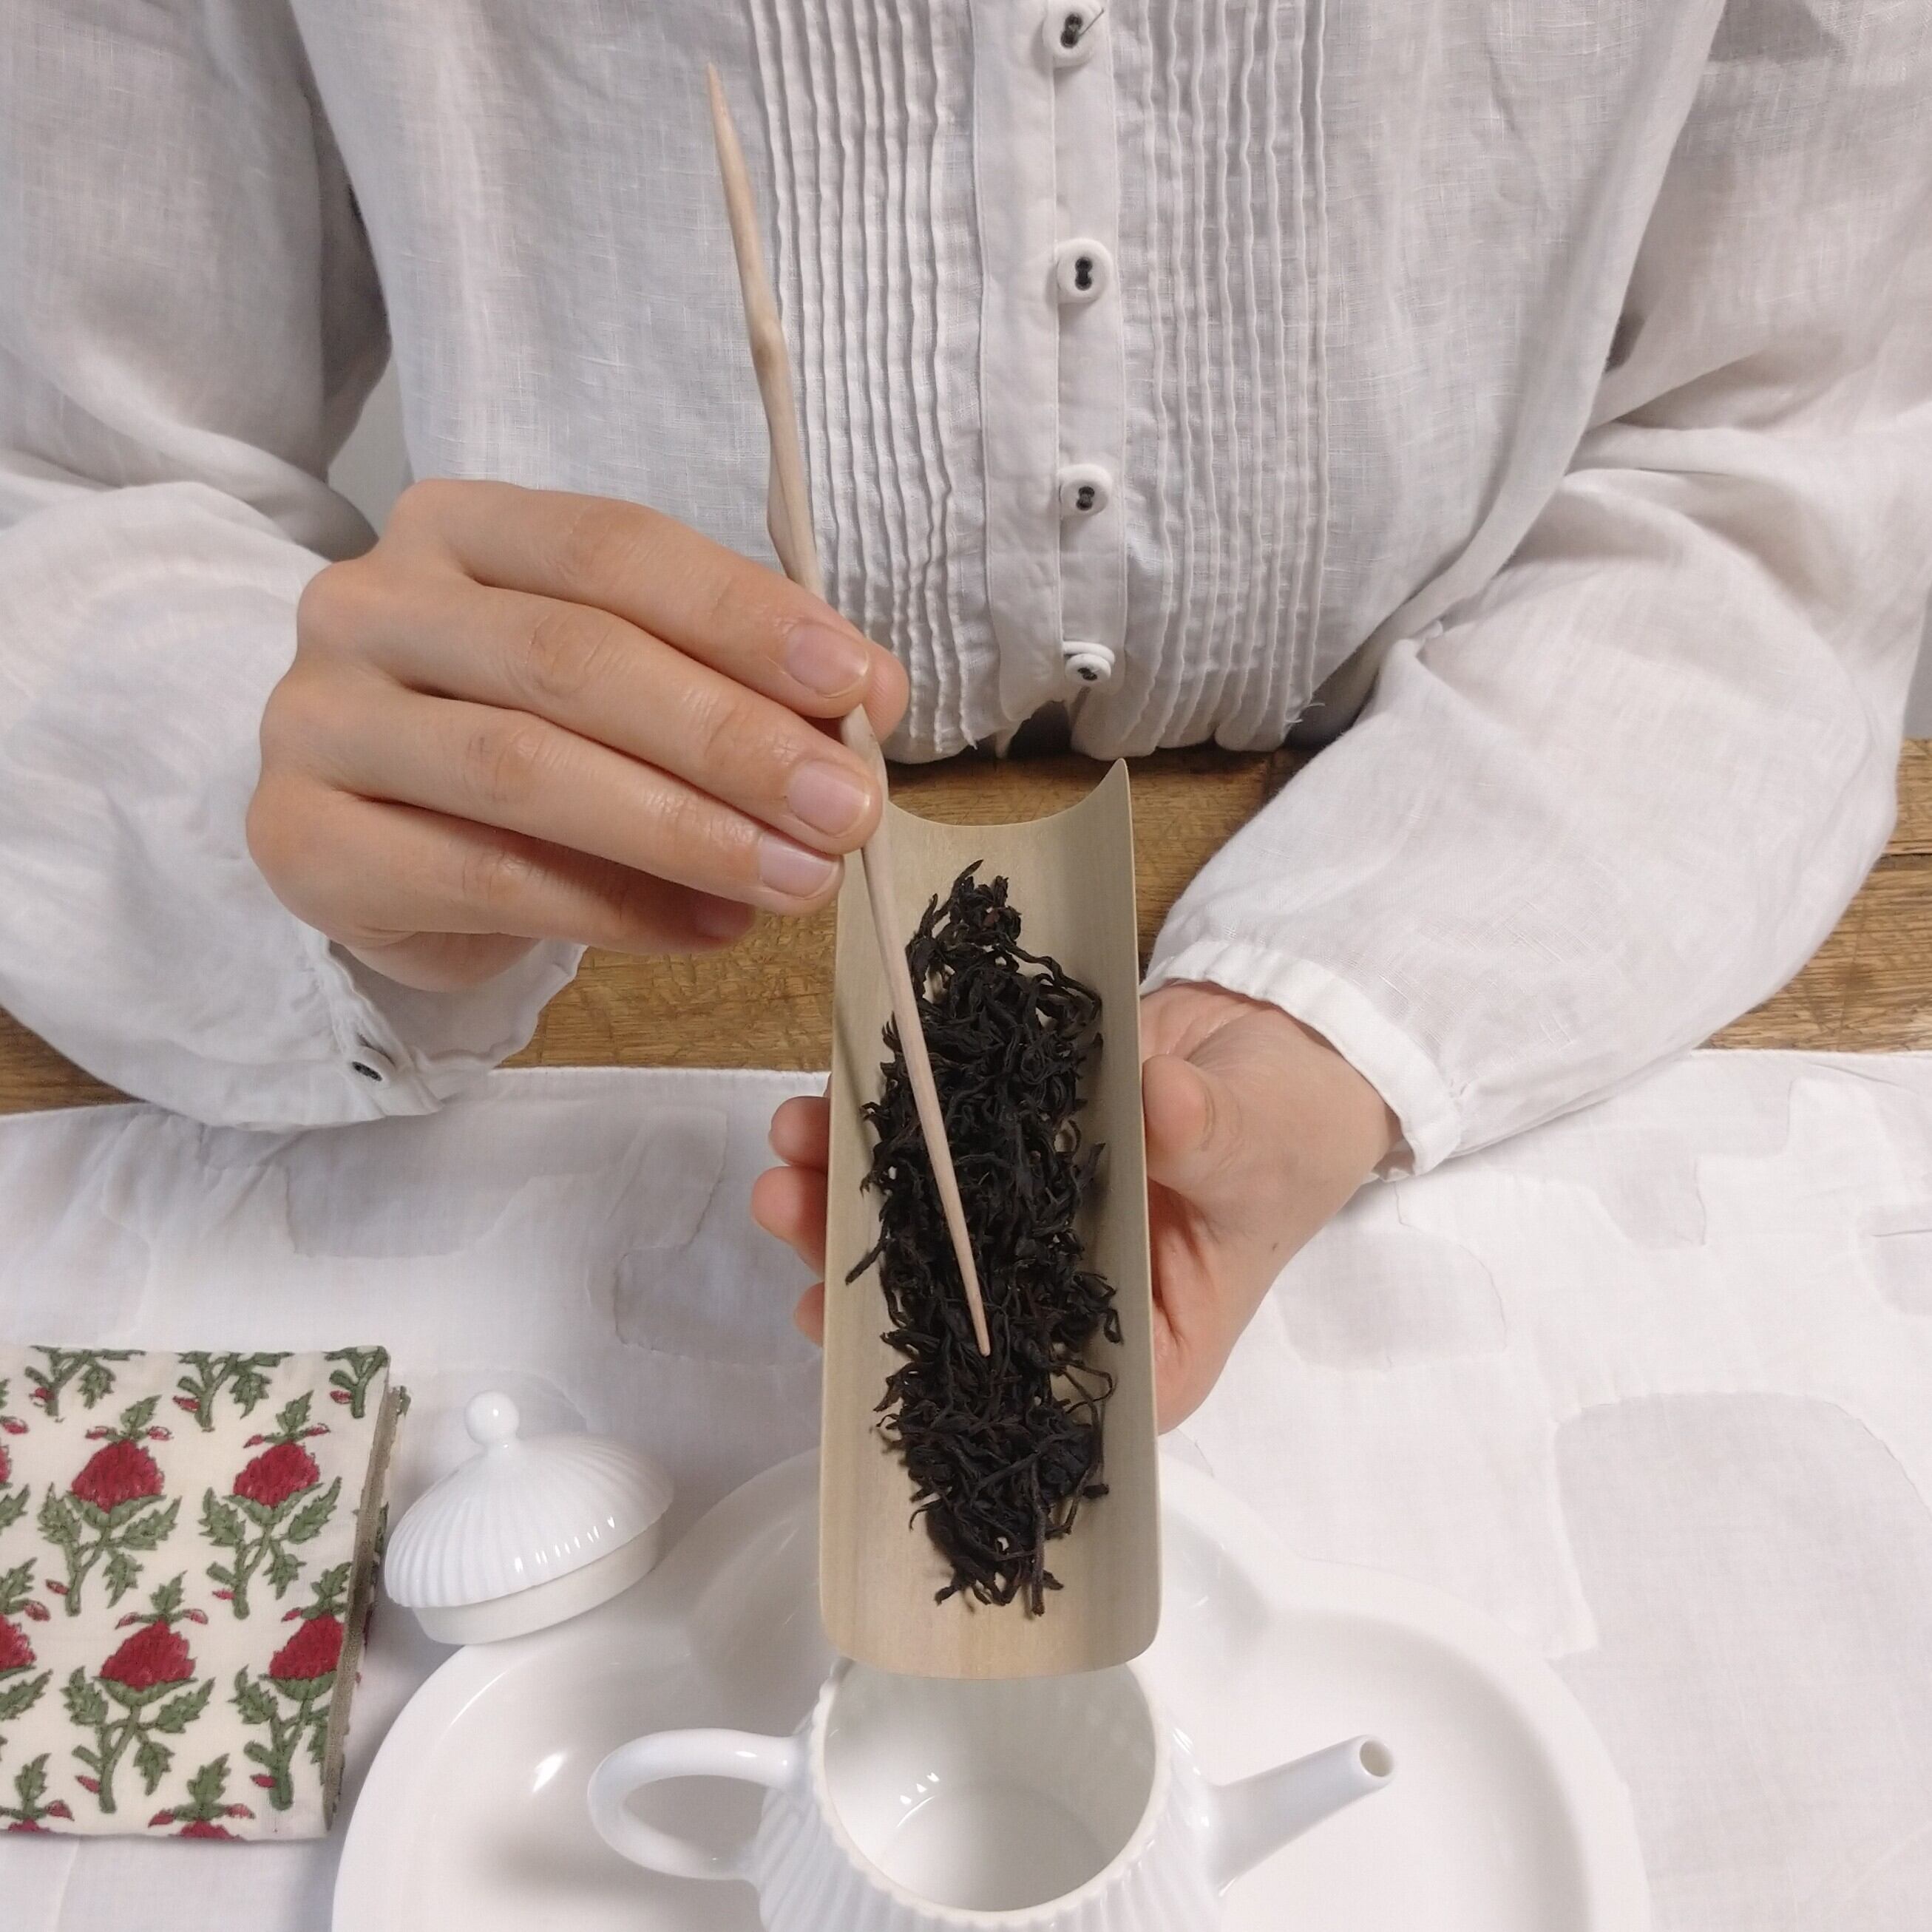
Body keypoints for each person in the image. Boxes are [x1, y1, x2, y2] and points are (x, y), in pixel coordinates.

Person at [1, 7, 1928, 1426]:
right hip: (553, 1027)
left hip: (1488, 917)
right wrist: (300, 817)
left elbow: (1779, 453)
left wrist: (1339, 1010)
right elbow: (69, 488)